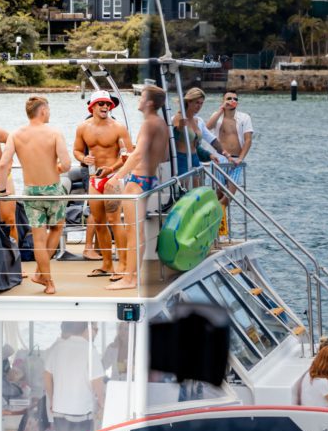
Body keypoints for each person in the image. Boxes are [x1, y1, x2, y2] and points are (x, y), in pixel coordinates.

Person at [0, 96, 71, 295]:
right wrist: (56, 167)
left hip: (30, 191)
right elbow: (66, 164)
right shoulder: (54, 133)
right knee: (57, 228)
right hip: (52, 191)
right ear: (43, 111)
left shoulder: (15, 134)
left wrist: (2, 190)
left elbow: (4, 164)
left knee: (38, 239)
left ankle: (46, 281)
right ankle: (42, 274)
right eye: (49, 110)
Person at [104, 85, 169, 291]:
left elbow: (139, 154)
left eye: (141, 97)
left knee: (133, 232)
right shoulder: (160, 123)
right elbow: (163, 156)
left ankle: (130, 278)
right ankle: (132, 275)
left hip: (138, 182)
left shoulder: (150, 124)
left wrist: (116, 177)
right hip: (149, 179)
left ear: (149, 102)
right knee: (136, 231)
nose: (139, 100)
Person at [73, 90, 133, 278]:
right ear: (92, 106)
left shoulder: (118, 128)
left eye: (108, 103)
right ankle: (107, 264)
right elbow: (75, 150)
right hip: (94, 180)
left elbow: (128, 155)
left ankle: (122, 265)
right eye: (101, 103)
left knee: (115, 221)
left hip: (113, 178)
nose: (105, 106)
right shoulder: (83, 127)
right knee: (98, 222)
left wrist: (111, 169)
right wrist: (84, 158)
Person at [44, 321, 105, 431]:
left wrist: (52, 398)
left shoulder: (58, 348)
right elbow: (97, 382)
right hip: (81, 409)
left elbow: (47, 376)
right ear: (86, 329)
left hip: (59, 408)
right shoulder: (90, 350)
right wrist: (102, 403)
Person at [206, 90, 253, 204]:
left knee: (228, 197)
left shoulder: (244, 118)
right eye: (229, 98)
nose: (232, 101)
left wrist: (241, 158)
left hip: (236, 160)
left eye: (235, 99)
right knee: (218, 193)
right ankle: (219, 219)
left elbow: (248, 140)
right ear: (222, 101)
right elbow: (207, 128)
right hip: (220, 158)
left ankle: (221, 216)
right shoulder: (217, 116)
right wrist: (222, 109)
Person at [172, 87, 229, 177]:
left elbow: (210, 140)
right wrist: (179, 128)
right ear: (189, 101)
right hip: (182, 160)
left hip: (195, 159)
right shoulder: (178, 118)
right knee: (185, 190)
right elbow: (172, 140)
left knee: (199, 189)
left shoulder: (197, 121)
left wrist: (211, 155)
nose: (199, 106)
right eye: (197, 103)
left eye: (201, 103)